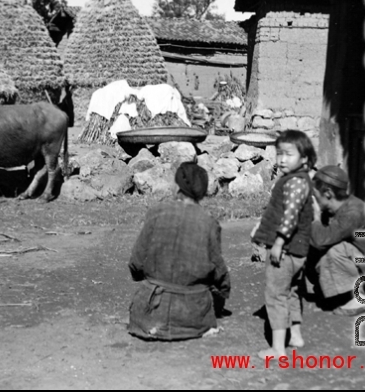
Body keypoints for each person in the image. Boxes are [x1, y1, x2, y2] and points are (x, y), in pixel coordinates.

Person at [128, 161, 230, 341]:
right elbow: (218, 269)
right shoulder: (209, 223)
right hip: (191, 317)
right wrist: (223, 293)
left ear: (177, 186)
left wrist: (148, 280)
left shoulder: (156, 212)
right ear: (204, 191)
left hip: (149, 314)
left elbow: (136, 262)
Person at [252, 130, 317, 359]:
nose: (282, 159)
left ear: (305, 159)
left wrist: (279, 241)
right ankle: (295, 336)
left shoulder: (295, 183)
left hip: (286, 249)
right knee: (291, 292)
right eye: (279, 154)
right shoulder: (299, 181)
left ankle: (278, 348)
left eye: (288, 154)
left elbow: (290, 216)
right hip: (298, 251)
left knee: (276, 295)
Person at [307, 165, 365, 316]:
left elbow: (320, 241)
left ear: (328, 193)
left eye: (315, 195)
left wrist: (315, 218)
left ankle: (361, 300)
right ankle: (343, 293)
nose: (313, 200)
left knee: (333, 249)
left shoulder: (352, 212)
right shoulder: (340, 206)